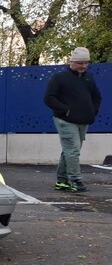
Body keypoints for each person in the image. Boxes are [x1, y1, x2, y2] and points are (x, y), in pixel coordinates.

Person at [43, 46, 102, 192]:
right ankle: (76, 180)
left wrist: (92, 112)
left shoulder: (89, 78)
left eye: (86, 63)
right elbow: (49, 98)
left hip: (84, 120)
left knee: (70, 150)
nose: (83, 66)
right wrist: (66, 111)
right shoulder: (60, 78)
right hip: (65, 120)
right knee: (73, 150)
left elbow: (96, 97)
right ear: (72, 61)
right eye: (80, 63)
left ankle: (62, 180)